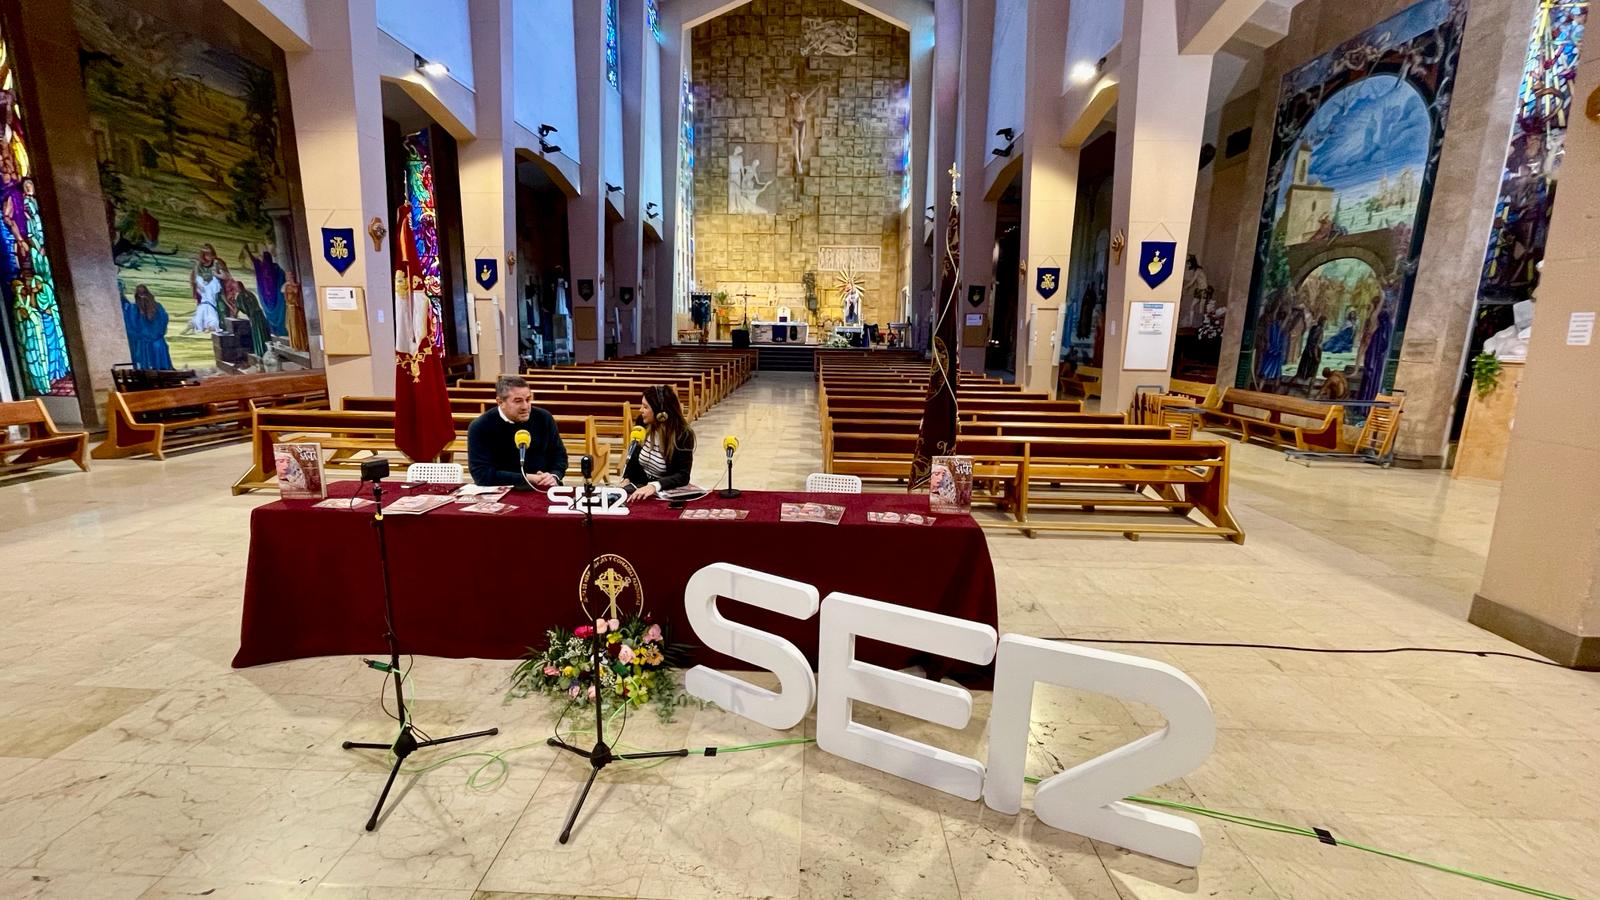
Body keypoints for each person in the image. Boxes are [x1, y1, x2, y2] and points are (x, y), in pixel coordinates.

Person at [466, 375, 566, 489]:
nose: (525, 406)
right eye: (518, 401)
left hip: (545, 487)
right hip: (503, 490)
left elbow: (560, 456)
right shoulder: (480, 427)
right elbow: (481, 475)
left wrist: (554, 475)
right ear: (500, 402)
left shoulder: (544, 418)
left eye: (528, 399)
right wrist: (528, 478)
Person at [622, 384, 696, 503]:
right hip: (639, 486)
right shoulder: (642, 422)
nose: (641, 410)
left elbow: (683, 476)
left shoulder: (683, 435)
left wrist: (654, 486)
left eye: (645, 407)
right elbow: (634, 455)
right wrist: (627, 478)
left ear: (661, 413)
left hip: (664, 490)